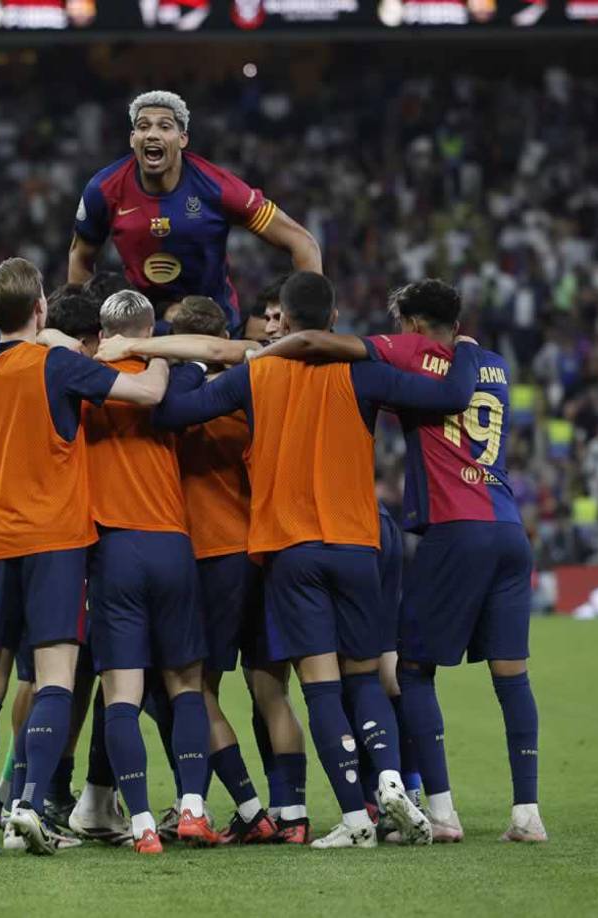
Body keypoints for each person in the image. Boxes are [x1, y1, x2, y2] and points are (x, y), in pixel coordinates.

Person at [156, 272, 480, 850]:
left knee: (320, 689)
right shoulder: (363, 372)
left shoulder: (257, 374)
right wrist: (467, 355)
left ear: (284, 319)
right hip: (358, 544)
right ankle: (387, 781)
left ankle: (356, 823)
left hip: (291, 550)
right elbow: (451, 398)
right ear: (332, 322)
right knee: (365, 681)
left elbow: (176, 412)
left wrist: (175, 361)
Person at [255, 278, 546, 844]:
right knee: (512, 676)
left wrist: (261, 352)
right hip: (510, 528)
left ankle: (441, 810)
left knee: (412, 670)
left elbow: (324, 345)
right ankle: (527, 813)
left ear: (411, 325)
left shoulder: (412, 353)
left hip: (455, 529)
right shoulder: (491, 364)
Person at [0, 258, 169, 856]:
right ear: (42, 308)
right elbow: (148, 392)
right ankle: (27, 807)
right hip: (52, 544)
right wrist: (159, 348)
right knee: (55, 680)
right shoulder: (56, 365)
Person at [79, 289, 220, 855]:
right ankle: (192, 810)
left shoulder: (82, 382)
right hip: (171, 544)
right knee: (186, 684)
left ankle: (138, 824)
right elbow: (212, 359)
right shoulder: (173, 376)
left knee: (121, 693)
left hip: (112, 547)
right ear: (150, 329)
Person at [156, 295, 278, 844]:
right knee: (208, 687)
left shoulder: (188, 395)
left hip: (209, 554)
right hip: (244, 551)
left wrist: (188, 366)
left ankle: (233, 809)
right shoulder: (248, 395)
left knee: (192, 688)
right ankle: (233, 807)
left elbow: (172, 409)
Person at [68, 90, 321, 330]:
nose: (152, 134)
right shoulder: (102, 189)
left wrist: (308, 328)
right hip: (142, 327)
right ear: (133, 139)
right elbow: (80, 258)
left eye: (164, 126)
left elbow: (303, 243)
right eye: (143, 126)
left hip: (216, 326)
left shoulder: (219, 187)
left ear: (183, 139)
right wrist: (83, 332)